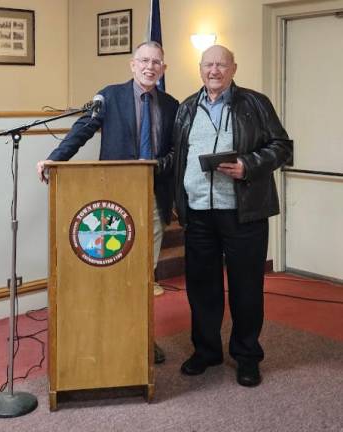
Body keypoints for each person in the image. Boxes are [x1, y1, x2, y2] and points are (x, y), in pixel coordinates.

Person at [37, 41, 179, 364]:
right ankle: (111, 336)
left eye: (156, 62)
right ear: (132, 64)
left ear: (164, 69)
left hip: (154, 200)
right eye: (144, 60)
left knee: (144, 277)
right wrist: (54, 159)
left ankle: (142, 339)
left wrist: (158, 166)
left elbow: (175, 152)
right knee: (115, 272)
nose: (150, 67)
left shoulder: (172, 105)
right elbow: (83, 129)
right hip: (114, 204)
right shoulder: (110, 97)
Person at [172, 45, 292, 386]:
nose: (214, 70)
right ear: (200, 68)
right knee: (202, 287)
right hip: (198, 213)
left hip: (244, 212)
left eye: (221, 64)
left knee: (246, 287)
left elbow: (282, 147)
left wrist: (247, 165)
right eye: (208, 64)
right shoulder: (185, 109)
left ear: (233, 68)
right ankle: (207, 351)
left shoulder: (255, 103)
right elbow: (175, 154)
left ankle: (247, 355)